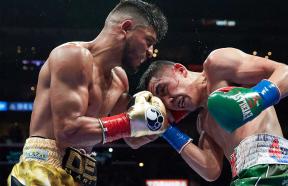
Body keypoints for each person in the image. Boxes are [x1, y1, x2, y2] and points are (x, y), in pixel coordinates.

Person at [8, 0, 168, 185]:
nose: (150, 52)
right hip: (41, 173)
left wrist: (163, 118)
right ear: (126, 27)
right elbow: (68, 131)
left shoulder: (119, 79)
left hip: (82, 177)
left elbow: (133, 139)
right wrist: (130, 122)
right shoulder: (72, 56)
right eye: (148, 41)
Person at [138, 47, 288, 185]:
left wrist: (255, 99)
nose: (170, 100)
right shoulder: (203, 122)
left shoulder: (217, 65)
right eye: (164, 103)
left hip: (274, 165)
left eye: (163, 89)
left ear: (180, 70)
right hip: (246, 177)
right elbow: (211, 170)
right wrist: (167, 130)